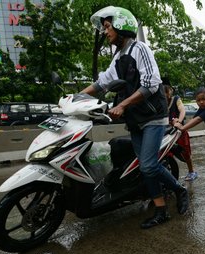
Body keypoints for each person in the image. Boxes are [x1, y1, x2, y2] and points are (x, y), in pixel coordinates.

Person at [81, 6, 188, 229]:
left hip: (153, 117)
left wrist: (122, 105)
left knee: (148, 166)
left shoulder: (140, 49)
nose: (105, 32)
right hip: (135, 120)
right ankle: (161, 211)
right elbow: (101, 83)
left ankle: (179, 189)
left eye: (108, 27)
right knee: (144, 166)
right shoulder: (118, 58)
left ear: (121, 25)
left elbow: (151, 83)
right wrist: (74, 98)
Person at [162, 78, 198, 181]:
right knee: (167, 154)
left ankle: (192, 171)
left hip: (179, 131)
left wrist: (179, 121)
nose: (164, 95)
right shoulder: (160, 103)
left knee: (185, 153)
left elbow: (182, 110)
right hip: (166, 132)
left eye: (166, 92)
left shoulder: (176, 99)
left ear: (170, 91)